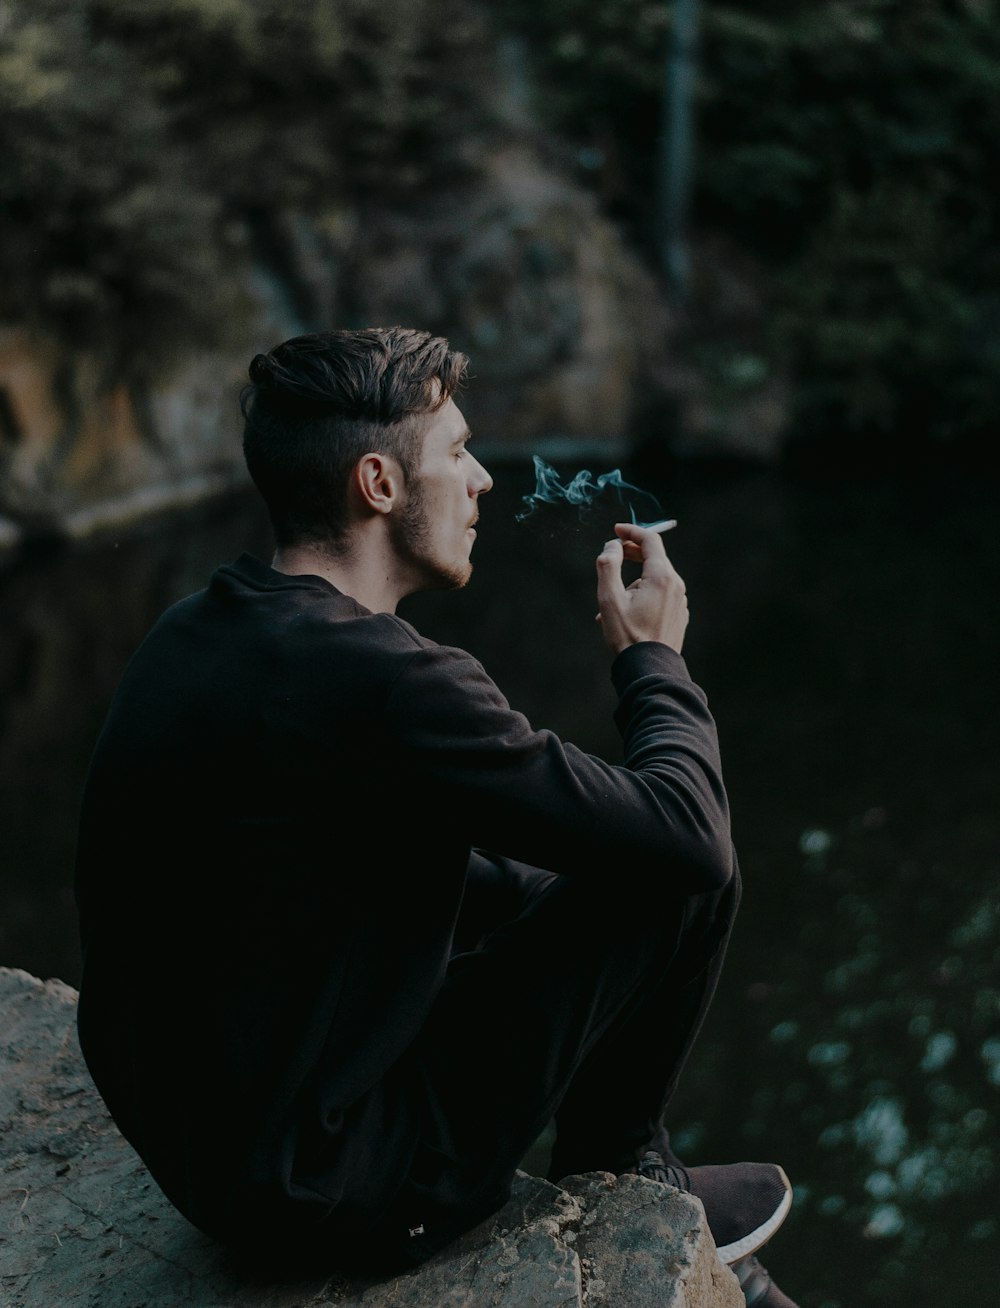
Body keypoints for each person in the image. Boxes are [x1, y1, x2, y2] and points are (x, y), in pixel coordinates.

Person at [73, 326, 798, 1306]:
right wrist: (651, 661)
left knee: (583, 871)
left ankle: (627, 1159)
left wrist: (568, 917)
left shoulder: (197, 632)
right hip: (343, 1192)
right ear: (378, 484)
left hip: (216, 1161)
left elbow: (350, 874)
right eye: (455, 453)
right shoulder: (391, 682)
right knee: (681, 873)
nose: (482, 481)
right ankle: (625, 1170)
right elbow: (686, 836)